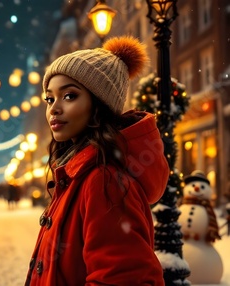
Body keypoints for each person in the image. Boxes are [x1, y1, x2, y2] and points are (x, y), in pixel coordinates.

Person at [25, 36, 169, 285]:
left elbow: (125, 278)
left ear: (98, 108)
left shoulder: (104, 181)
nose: (54, 109)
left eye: (69, 96)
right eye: (50, 98)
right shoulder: (78, 173)